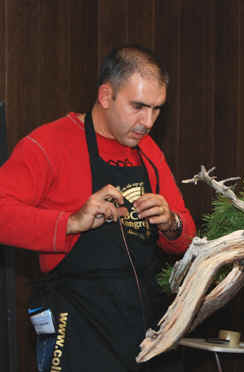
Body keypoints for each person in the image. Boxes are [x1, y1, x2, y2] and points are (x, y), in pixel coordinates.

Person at [0, 45, 196, 371]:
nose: (148, 122)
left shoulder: (149, 153)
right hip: (77, 328)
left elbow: (187, 238)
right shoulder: (49, 144)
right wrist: (70, 222)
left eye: (157, 109)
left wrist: (171, 223)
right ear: (106, 96)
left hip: (145, 329)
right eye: (138, 107)